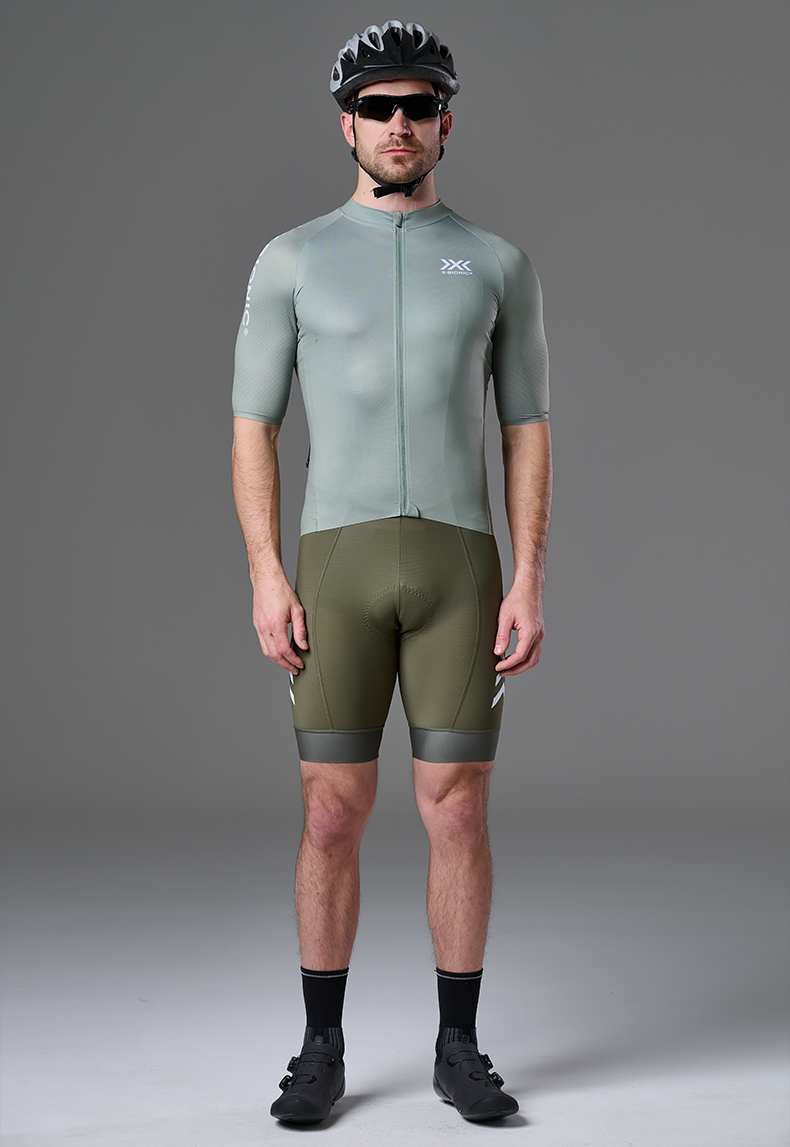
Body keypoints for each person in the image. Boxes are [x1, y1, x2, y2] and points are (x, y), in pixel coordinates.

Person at [231, 20, 552, 1125]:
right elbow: (252, 425)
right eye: (378, 107)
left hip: (461, 567)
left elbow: (526, 430)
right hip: (336, 564)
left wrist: (528, 577)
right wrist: (267, 573)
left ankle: (458, 1046)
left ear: (445, 124)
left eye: (417, 107)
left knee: (457, 813)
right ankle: (320, 1046)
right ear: (348, 126)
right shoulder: (292, 259)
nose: (398, 124)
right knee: (332, 811)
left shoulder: (497, 262)